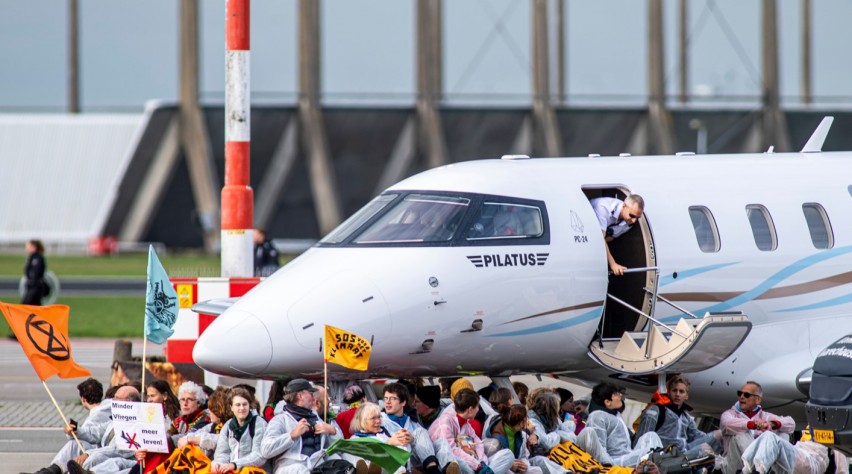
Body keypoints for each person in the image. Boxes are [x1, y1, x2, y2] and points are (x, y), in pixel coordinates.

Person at [30, 378, 110, 474]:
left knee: (74, 444)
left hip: (100, 453)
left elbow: (90, 435)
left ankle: (52, 470)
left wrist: (72, 432)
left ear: (83, 399)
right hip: (101, 451)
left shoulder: (95, 416)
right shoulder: (109, 409)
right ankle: (52, 470)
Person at [261, 378, 340, 474]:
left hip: (318, 466)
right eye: (310, 393)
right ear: (300, 396)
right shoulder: (280, 420)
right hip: (291, 469)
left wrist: (332, 431)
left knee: (343, 463)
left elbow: (338, 447)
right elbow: (266, 450)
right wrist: (292, 435)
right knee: (300, 469)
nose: (313, 397)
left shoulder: (316, 418)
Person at [633, 375, 720, 461]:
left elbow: (697, 436)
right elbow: (641, 440)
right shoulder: (656, 411)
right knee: (705, 448)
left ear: (686, 396)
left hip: (683, 453)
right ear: (669, 392)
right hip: (661, 456)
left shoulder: (686, 418)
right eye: (675, 391)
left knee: (717, 435)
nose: (677, 394)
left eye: (681, 392)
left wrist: (718, 436)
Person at [429, 388, 514, 474]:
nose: (478, 409)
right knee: (459, 463)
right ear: (470, 410)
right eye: (477, 406)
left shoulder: (465, 423)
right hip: (456, 463)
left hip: (475, 463)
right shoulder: (445, 421)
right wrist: (476, 465)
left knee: (508, 454)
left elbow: (478, 443)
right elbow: (451, 450)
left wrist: (481, 462)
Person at [716, 381, 795, 474]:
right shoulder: (729, 414)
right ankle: (755, 469)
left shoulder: (765, 416)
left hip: (761, 466)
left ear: (757, 400)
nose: (741, 397)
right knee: (741, 433)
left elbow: (791, 423)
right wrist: (752, 424)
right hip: (734, 467)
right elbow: (727, 424)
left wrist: (771, 424)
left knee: (781, 433)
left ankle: (768, 470)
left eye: (746, 395)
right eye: (739, 393)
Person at [580, 382, 661, 468]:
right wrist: (610, 467)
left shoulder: (616, 415)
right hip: (614, 463)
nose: (620, 396)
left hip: (627, 455)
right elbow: (599, 451)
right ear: (607, 402)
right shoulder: (597, 417)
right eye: (615, 394)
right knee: (648, 457)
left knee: (651, 436)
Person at [382, 383, 454, 472]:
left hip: (417, 460)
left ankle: (447, 469)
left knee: (442, 442)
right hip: (395, 460)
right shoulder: (379, 420)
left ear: (403, 402)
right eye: (385, 398)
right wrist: (390, 442)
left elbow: (425, 444)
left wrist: (413, 439)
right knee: (419, 432)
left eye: (393, 398)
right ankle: (433, 470)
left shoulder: (412, 420)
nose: (388, 402)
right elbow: (371, 442)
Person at [212, 386, 271, 473]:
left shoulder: (259, 423)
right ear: (231, 407)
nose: (242, 408)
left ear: (249, 405)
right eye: (238, 405)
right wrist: (218, 463)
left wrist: (235, 465)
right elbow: (222, 452)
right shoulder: (228, 426)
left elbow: (259, 456)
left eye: (245, 404)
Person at [589, 194, 644, 276]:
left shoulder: (629, 222)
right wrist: (613, 264)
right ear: (624, 206)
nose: (634, 221)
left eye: (637, 218)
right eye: (632, 216)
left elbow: (610, 238)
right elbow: (600, 239)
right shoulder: (603, 208)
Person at [482, 404, 543, 474]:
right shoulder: (494, 440)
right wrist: (510, 465)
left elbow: (523, 455)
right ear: (521, 422)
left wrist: (523, 465)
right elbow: (491, 462)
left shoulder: (519, 433)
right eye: (526, 418)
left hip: (516, 468)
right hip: (502, 470)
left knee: (537, 471)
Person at [169, 381, 211, 445]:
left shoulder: (206, 418)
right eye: (182, 399)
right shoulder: (178, 421)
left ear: (198, 403)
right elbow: (168, 434)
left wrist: (169, 441)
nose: (185, 403)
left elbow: (191, 436)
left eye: (189, 399)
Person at [22, 239, 47, 305]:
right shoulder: (31, 257)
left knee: (25, 306)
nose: (27, 248)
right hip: (32, 287)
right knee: (35, 307)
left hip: (35, 287)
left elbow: (36, 273)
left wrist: (32, 283)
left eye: (28, 246)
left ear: (34, 247)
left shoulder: (37, 258)